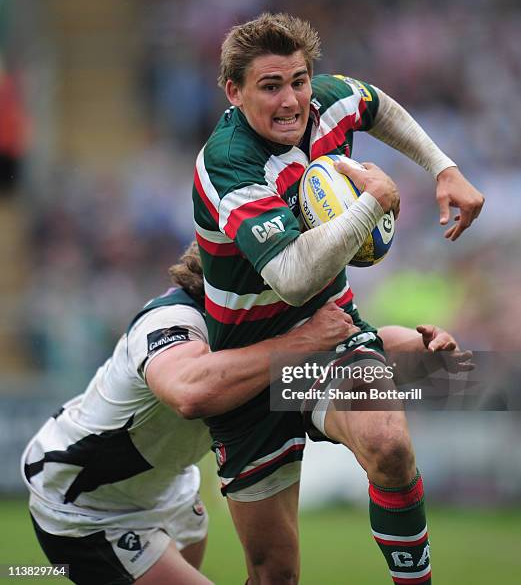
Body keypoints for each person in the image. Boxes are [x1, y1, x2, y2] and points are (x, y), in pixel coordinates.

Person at [192, 12, 483, 584]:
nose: (291, 101)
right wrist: (372, 203)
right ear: (234, 90)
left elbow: (376, 105)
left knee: (388, 445)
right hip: (252, 368)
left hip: (331, 336)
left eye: (298, 81)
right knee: (275, 574)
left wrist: (443, 168)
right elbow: (291, 275)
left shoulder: (323, 100)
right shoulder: (229, 163)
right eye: (270, 86)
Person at [21, 242, 469, 584]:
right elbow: (190, 391)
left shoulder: (263, 323)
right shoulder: (170, 321)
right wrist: (303, 342)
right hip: (85, 501)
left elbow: (348, 347)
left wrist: (419, 353)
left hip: (169, 486)